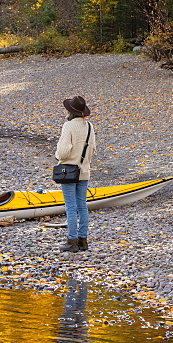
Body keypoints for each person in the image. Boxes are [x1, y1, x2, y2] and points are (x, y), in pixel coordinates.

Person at [54, 95, 96, 253]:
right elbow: (92, 149)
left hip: (68, 172)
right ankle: (83, 241)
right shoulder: (90, 126)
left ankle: (72, 241)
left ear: (70, 111)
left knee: (71, 207)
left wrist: (57, 156)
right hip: (84, 170)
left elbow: (63, 151)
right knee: (82, 206)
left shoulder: (69, 126)